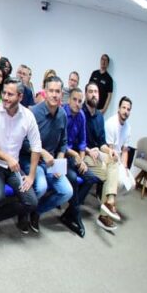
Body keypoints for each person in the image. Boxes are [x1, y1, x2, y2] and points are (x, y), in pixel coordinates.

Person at [0, 78, 41, 237]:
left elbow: (36, 146)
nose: (5, 97)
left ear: (20, 97)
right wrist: (7, 158)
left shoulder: (28, 116)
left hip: (14, 168)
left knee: (31, 202)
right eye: (4, 93)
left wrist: (31, 176)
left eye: (10, 94)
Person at [22, 75, 74, 233]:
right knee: (42, 186)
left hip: (51, 162)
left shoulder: (62, 114)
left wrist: (59, 161)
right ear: (45, 91)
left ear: (61, 94)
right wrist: (42, 152)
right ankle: (23, 213)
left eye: (57, 91)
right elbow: (23, 142)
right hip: (31, 160)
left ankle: (37, 211)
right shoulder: (33, 112)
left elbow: (63, 142)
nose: (54, 95)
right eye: (51, 91)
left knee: (67, 191)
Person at [83, 81, 123, 232]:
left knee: (114, 159)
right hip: (83, 153)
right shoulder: (81, 113)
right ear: (86, 94)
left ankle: (109, 201)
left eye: (96, 92)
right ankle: (104, 215)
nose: (94, 95)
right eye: (91, 91)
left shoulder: (100, 116)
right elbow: (77, 141)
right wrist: (88, 150)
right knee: (108, 174)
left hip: (97, 152)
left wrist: (109, 151)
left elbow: (101, 143)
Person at [60, 86, 96, 237]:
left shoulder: (81, 115)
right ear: (69, 100)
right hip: (60, 155)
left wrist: (81, 159)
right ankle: (77, 215)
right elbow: (60, 143)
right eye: (74, 100)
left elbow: (82, 141)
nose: (77, 103)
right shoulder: (62, 113)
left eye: (80, 101)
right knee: (73, 178)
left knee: (91, 178)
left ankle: (69, 213)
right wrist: (76, 155)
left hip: (74, 156)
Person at [105, 95, 133, 169]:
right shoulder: (111, 123)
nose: (126, 111)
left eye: (128, 109)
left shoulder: (128, 128)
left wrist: (125, 168)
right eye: (124, 108)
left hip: (118, 159)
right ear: (119, 108)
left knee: (128, 175)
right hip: (107, 156)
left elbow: (125, 151)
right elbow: (110, 150)